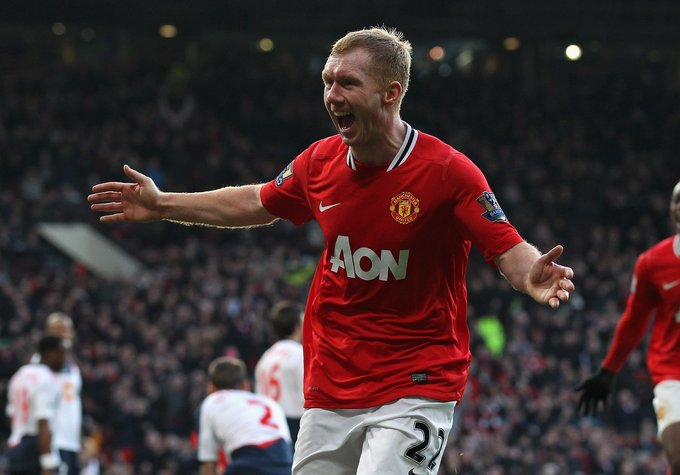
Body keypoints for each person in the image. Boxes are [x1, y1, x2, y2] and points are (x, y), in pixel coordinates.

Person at [88, 26, 575, 475]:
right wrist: (163, 204)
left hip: (416, 380)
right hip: (330, 382)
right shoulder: (319, 162)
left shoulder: (448, 172)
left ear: (391, 93)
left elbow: (506, 246)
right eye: (327, 81)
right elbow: (256, 202)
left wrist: (530, 273)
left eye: (347, 83)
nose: (332, 96)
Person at [576, 179, 680, 475]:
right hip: (672, 370)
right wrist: (608, 371)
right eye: (676, 200)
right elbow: (634, 320)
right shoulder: (652, 263)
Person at [196, 356, 292, 475]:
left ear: (211, 388)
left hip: (247, 461)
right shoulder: (270, 403)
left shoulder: (213, 401)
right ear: (246, 386)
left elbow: (208, 463)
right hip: (284, 464)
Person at [6, 335, 69, 475]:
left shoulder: (19, 375)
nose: (64, 359)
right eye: (61, 353)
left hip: (15, 447)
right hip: (35, 449)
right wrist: (47, 462)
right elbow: (43, 422)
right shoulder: (46, 378)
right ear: (49, 353)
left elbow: (11, 417)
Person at [255, 301, 305, 445]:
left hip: (267, 425)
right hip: (293, 424)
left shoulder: (266, 357)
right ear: (297, 326)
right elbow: (307, 397)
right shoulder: (300, 355)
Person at [44, 312, 83, 475]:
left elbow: (73, 406)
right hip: (55, 442)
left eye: (67, 330)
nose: (64, 334)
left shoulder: (73, 368)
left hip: (71, 443)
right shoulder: (42, 364)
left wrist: (79, 440)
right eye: (58, 330)